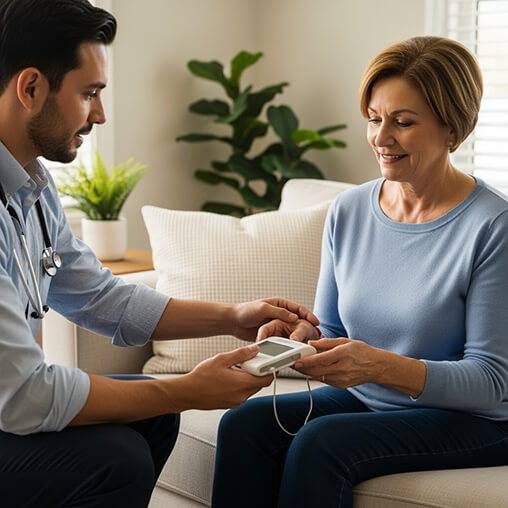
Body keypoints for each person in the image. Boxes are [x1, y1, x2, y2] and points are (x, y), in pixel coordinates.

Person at [0, 1, 319, 507]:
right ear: (32, 87)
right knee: (118, 456)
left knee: (150, 416)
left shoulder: (33, 188)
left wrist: (232, 317)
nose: (100, 115)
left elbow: (101, 298)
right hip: (7, 405)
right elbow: (23, 396)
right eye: (90, 93)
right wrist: (184, 390)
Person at [211, 35, 508, 508]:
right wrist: (299, 337)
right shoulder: (348, 210)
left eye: (403, 122)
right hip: (372, 399)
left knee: (320, 443)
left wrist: (377, 365)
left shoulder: (493, 226)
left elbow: (492, 382)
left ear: (452, 128)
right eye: (374, 119)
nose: (381, 138)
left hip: (476, 420)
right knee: (245, 424)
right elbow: (332, 329)